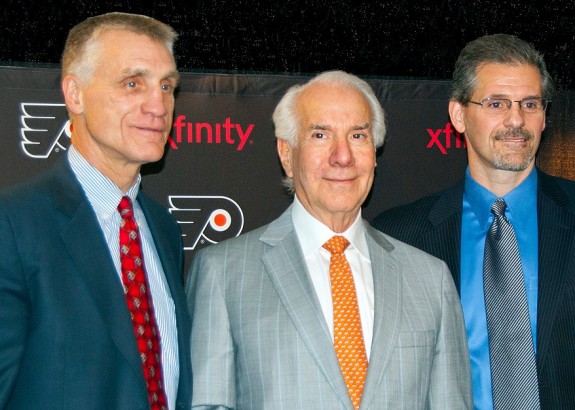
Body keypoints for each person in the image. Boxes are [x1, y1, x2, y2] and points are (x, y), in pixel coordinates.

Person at [186, 70, 472, 409]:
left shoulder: (430, 279)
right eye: (320, 135)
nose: (343, 156)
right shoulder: (224, 273)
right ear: (287, 154)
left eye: (358, 136)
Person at [372, 34, 575, 410]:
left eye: (530, 104)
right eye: (497, 103)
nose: (516, 120)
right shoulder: (399, 237)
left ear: (545, 116)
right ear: (458, 115)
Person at [0, 12, 192, 409]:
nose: (158, 105)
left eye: (167, 86)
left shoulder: (163, 229)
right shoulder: (13, 225)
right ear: (75, 93)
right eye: (133, 83)